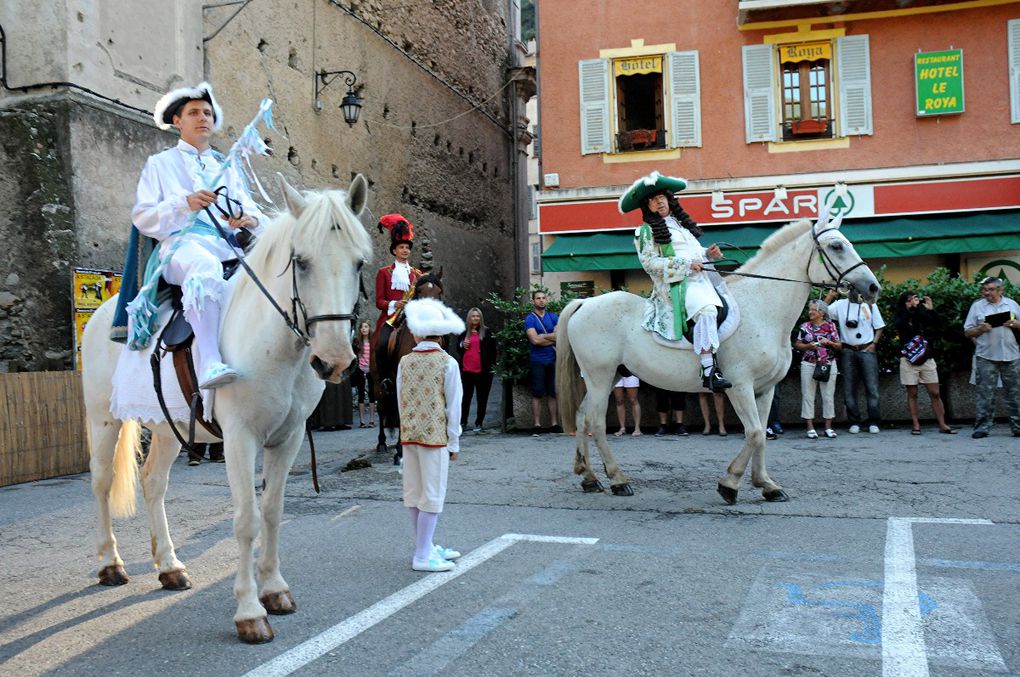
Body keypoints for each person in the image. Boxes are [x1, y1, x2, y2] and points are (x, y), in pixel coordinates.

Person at [130, 82, 265, 389]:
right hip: (181, 247)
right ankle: (209, 362)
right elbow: (143, 216)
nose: (203, 117)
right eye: (193, 113)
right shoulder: (160, 164)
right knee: (204, 267)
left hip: (228, 246)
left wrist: (247, 218)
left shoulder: (225, 166)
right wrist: (184, 203)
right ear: (177, 121)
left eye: (207, 112)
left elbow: (252, 209)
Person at [620, 171, 731, 392]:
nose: (659, 201)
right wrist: (686, 265)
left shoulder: (681, 225)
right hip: (677, 285)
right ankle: (708, 370)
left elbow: (693, 253)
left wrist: (707, 254)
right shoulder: (645, 232)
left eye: (661, 196)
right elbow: (650, 264)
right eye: (652, 199)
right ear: (647, 206)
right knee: (708, 310)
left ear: (669, 198)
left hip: (702, 280)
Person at [397, 297, 465, 572]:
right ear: (441, 333)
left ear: (415, 331)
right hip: (435, 436)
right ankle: (423, 555)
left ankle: (426, 546)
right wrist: (454, 440)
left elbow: (401, 400)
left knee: (414, 494)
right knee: (433, 495)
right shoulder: (447, 362)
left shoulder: (405, 362)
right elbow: (454, 405)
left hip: (409, 435)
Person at [963, 277, 1020, 439]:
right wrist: (980, 329)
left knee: (1015, 393)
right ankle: (982, 427)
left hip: (1012, 355)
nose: (986, 293)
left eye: (990, 289)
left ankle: (1017, 427)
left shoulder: (1012, 304)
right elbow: (967, 332)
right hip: (986, 356)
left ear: (1000, 290)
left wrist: (1016, 324)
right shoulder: (977, 306)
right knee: (985, 394)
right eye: (984, 290)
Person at [893, 291, 956, 435]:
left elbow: (938, 325)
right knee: (912, 393)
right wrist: (909, 309)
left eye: (916, 298)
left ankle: (942, 424)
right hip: (908, 359)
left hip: (927, 357)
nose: (915, 301)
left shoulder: (922, 314)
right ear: (905, 302)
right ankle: (916, 424)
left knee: (934, 392)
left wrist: (930, 309)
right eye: (911, 299)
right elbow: (898, 324)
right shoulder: (900, 314)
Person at [825, 290, 885, 433]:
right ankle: (855, 421)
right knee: (849, 387)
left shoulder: (870, 305)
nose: (854, 292)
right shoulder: (840, 304)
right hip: (848, 350)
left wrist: (874, 343)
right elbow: (821, 311)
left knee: (872, 387)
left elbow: (879, 326)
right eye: (851, 289)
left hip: (866, 349)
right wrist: (831, 295)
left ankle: (873, 421)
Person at [374, 214, 422, 394]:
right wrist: (395, 304)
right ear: (394, 250)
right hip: (390, 318)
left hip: (412, 318)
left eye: (407, 248)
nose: (405, 250)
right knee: (381, 344)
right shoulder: (384, 273)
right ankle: (385, 378)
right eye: (401, 247)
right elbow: (379, 302)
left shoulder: (417, 274)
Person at [794, 299, 842, 439]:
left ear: (821, 313)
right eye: (810, 309)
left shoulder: (831, 326)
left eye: (813, 310)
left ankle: (828, 427)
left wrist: (830, 343)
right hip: (809, 362)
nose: (810, 312)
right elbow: (797, 344)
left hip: (828, 363)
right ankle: (810, 427)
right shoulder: (805, 326)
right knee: (808, 395)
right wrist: (808, 346)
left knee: (828, 395)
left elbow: (839, 346)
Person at [455, 307, 497, 433]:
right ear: (469, 318)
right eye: (473, 316)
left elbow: (493, 352)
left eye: (477, 316)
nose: (475, 318)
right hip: (467, 371)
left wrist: (490, 367)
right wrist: (463, 345)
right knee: (465, 398)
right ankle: (463, 422)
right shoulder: (463, 332)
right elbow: (458, 348)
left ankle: (479, 422)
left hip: (483, 372)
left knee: (482, 398)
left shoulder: (487, 332)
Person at [525, 290, 560, 435]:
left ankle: (554, 424)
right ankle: (537, 424)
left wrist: (543, 336)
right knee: (537, 393)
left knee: (553, 393)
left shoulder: (553, 317)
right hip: (537, 360)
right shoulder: (530, 319)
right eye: (538, 298)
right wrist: (549, 338)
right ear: (533, 301)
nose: (541, 300)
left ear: (547, 300)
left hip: (553, 359)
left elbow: (559, 337)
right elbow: (534, 340)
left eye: (543, 298)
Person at [351, 321, 376, 428]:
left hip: (371, 369)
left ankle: (371, 420)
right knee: (361, 395)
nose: (363, 329)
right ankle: (362, 421)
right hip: (360, 370)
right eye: (361, 327)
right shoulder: (357, 342)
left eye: (366, 327)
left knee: (372, 395)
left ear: (370, 328)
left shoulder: (373, 341)